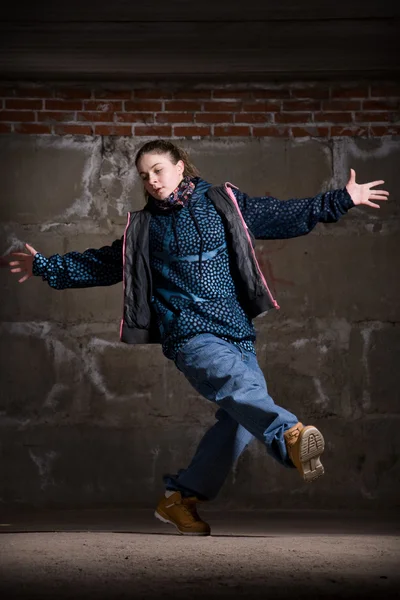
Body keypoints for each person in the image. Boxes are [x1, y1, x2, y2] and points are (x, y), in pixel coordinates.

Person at [1, 140, 389, 536]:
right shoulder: (145, 228)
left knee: (239, 420)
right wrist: (45, 266)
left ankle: (180, 498)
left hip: (235, 329)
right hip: (187, 331)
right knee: (237, 387)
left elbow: (281, 214)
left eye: (158, 170)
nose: (151, 181)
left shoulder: (224, 202)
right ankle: (290, 435)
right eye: (144, 176)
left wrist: (342, 199)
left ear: (180, 167)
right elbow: (104, 263)